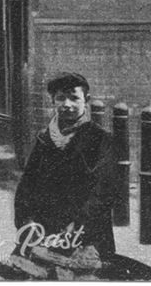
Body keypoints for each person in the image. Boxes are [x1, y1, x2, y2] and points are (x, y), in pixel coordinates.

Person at [13, 72, 117, 261]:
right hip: (42, 231)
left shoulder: (100, 139)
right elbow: (26, 185)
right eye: (61, 98)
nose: (67, 104)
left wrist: (77, 226)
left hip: (85, 233)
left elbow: (103, 192)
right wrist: (27, 221)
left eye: (74, 98)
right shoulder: (44, 138)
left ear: (86, 100)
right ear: (53, 101)